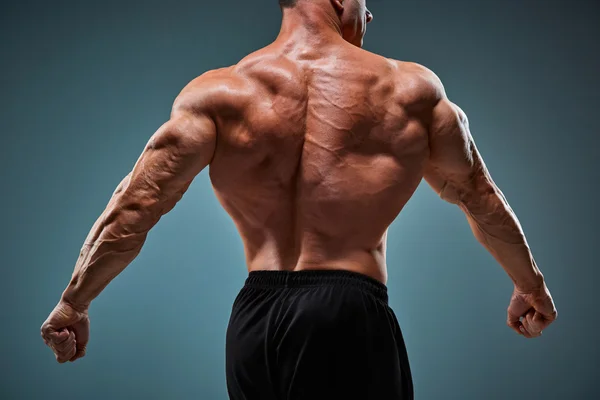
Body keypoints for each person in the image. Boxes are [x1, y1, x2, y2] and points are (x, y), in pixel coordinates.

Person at [41, 0, 558, 398]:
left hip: (253, 322)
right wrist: (529, 284)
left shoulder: (218, 94)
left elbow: (135, 205)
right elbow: (480, 196)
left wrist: (73, 303)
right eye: (364, 0)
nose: (371, 14)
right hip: (348, 317)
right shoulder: (408, 90)